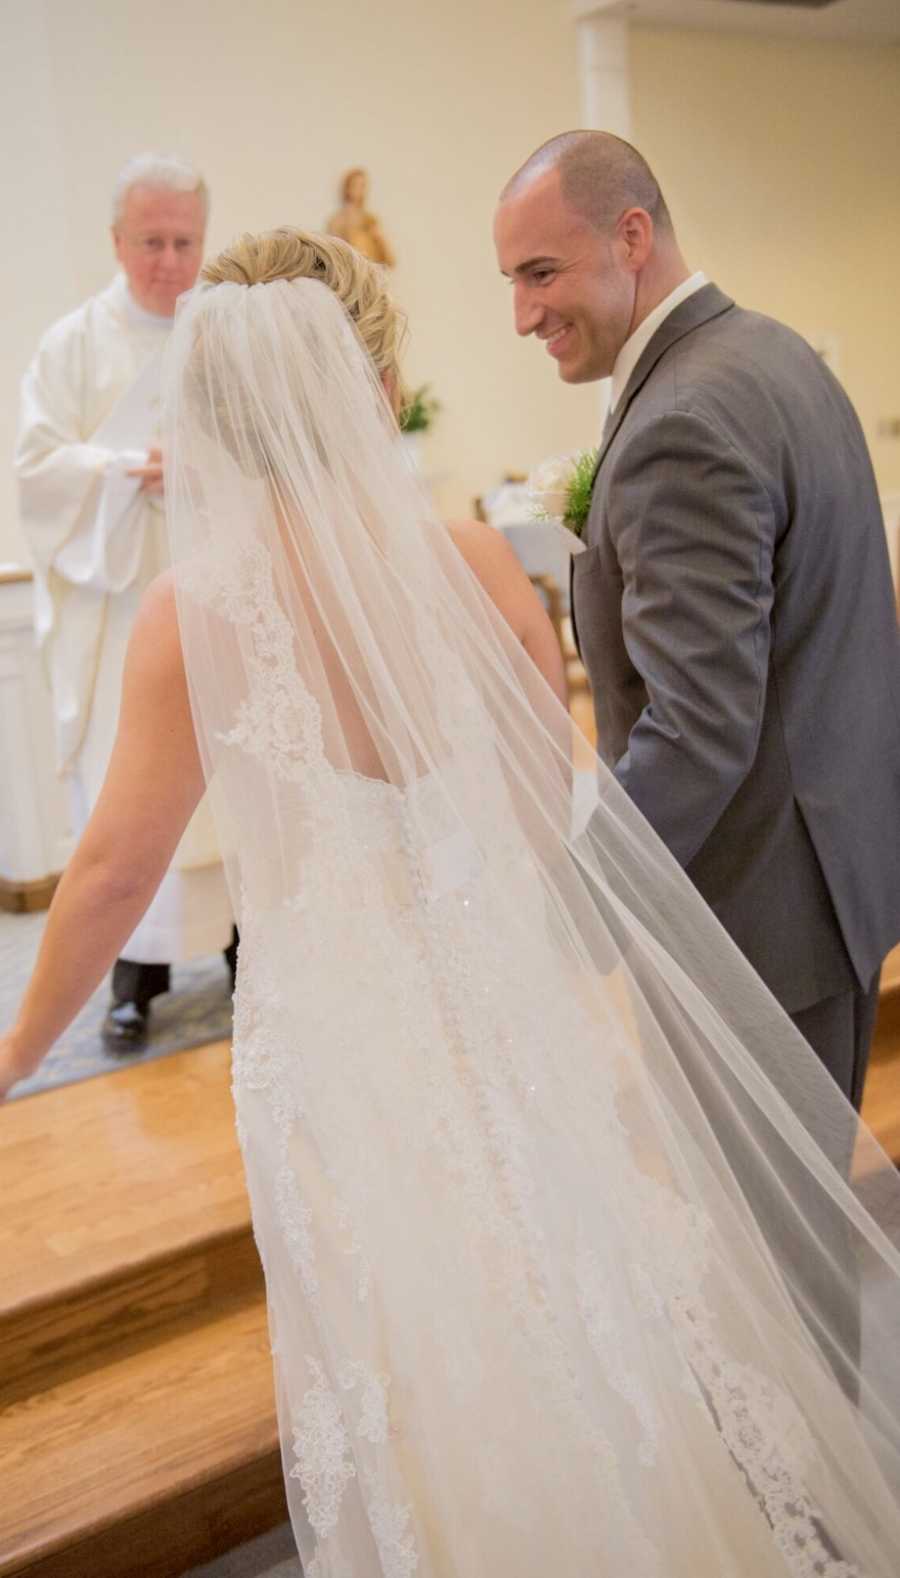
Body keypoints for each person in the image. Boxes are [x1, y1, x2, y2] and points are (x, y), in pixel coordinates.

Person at [4, 228, 900, 1576]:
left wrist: (13, 1056)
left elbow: (116, 872)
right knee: (588, 1322)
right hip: (512, 1014)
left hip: (345, 1054)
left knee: (420, 1356)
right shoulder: (483, 563)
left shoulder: (192, 615)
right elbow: (555, 815)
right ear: (371, 372)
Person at [494, 131, 900, 1111]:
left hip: (754, 922)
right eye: (511, 280)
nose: (521, 315)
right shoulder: (773, 351)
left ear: (631, 236)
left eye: (541, 273)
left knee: (770, 1259)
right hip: (822, 885)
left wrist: (577, 910)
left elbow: (700, 724)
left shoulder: (685, 418)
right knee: (797, 1248)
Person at [16, 152, 235, 1048]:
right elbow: (34, 470)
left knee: (228, 785)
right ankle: (133, 978)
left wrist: (205, 470)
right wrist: (120, 473)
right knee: (129, 790)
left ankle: (241, 953)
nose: (170, 262)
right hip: (115, 613)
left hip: (212, 599)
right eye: (152, 241)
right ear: (117, 240)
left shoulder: (223, 336)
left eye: (186, 241)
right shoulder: (73, 344)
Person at [326, 167, 396, 266]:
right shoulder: (336, 221)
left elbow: (390, 260)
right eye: (355, 185)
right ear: (346, 188)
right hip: (350, 273)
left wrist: (378, 239)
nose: (359, 190)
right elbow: (333, 256)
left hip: (370, 273)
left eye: (363, 186)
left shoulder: (370, 220)